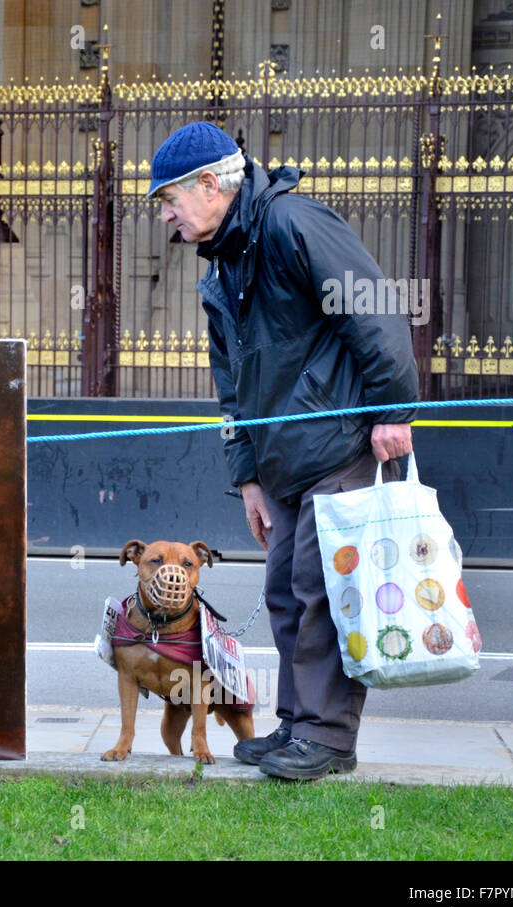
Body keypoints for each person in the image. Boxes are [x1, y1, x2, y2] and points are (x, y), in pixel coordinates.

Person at [147, 121, 418, 780]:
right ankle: (297, 726)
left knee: (320, 587)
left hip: (340, 441)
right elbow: (230, 391)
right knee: (285, 591)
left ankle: (328, 738)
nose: (165, 215)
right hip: (281, 462)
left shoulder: (295, 222)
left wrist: (393, 409)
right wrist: (248, 479)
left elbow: (373, 309)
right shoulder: (218, 274)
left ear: (211, 186)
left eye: (169, 199)